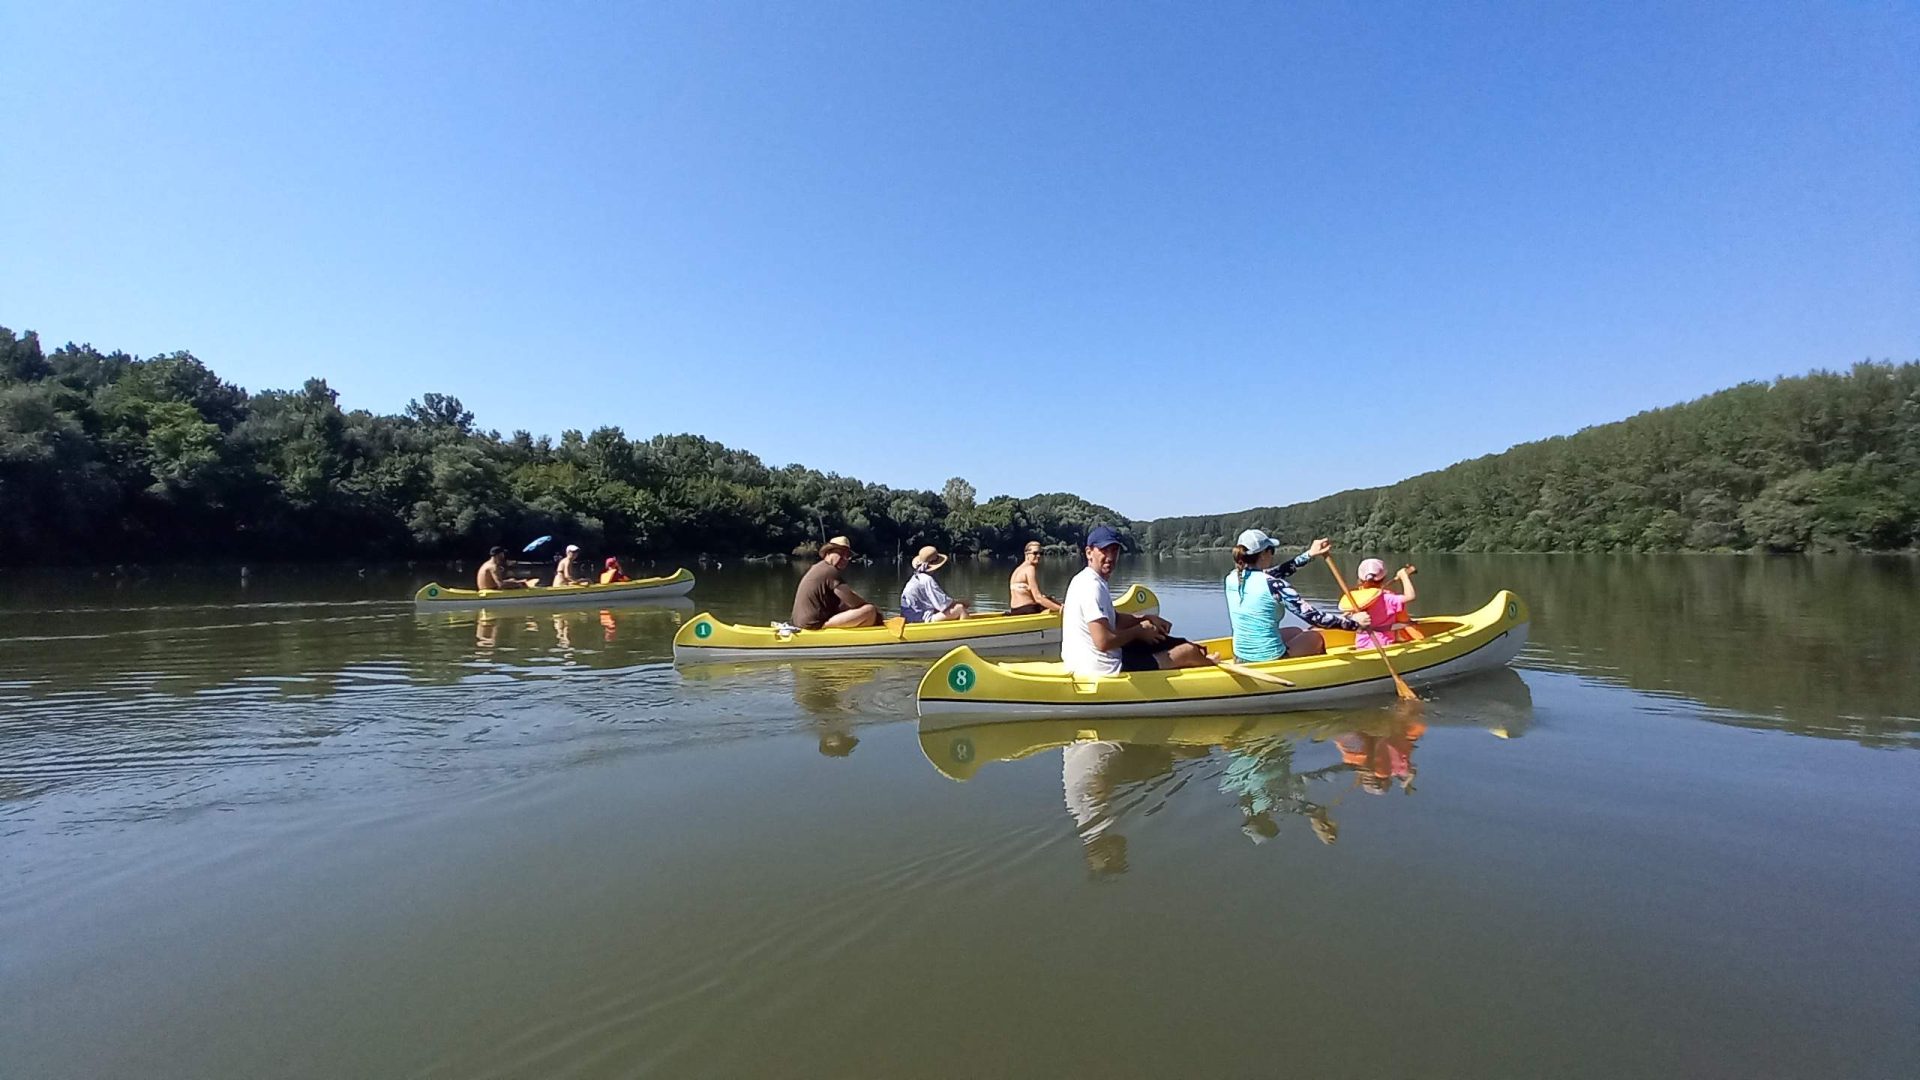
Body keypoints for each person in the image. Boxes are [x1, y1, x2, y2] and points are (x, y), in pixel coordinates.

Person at [1061, 525, 1211, 677]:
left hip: (1084, 662)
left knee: (1164, 641)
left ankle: (1201, 656)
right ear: (1089, 552)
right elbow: (1103, 642)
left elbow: (1115, 619)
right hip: (1103, 668)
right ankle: (1212, 669)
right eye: (1104, 550)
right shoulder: (1092, 586)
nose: (1111, 557)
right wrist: (1139, 631)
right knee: (1188, 651)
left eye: (1114, 550)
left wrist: (1146, 618)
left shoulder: (1085, 579)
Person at [1223, 530, 1370, 662]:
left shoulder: (1232, 577)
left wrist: (1310, 554)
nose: (1272, 555)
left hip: (1240, 655)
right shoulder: (1274, 584)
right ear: (1263, 554)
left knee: (1296, 631)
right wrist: (1353, 623)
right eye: (1271, 550)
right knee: (1315, 637)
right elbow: (1315, 618)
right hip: (1269, 658)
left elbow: (1280, 571)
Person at [791, 535, 881, 629]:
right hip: (812, 625)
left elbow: (844, 601)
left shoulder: (819, 568)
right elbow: (852, 600)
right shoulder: (829, 571)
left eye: (847, 556)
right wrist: (875, 611)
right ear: (828, 553)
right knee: (870, 611)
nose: (844, 558)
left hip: (801, 623)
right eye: (840, 554)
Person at [1340, 558, 1417, 650]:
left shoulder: (1356, 599)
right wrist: (1404, 576)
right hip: (1383, 646)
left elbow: (1345, 617)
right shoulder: (1388, 598)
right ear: (1383, 579)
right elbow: (1410, 596)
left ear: (1360, 579)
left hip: (1361, 645)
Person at [900, 546, 969, 622]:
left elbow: (937, 604)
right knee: (960, 608)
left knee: (947, 609)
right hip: (920, 620)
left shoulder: (914, 578)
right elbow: (944, 604)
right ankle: (968, 632)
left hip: (908, 618)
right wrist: (963, 602)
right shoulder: (927, 580)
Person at [1008, 541, 1063, 616]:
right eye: (1035, 553)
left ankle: (1063, 606)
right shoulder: (1030, 569)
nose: (1038, 556)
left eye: (1040, 553)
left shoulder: (1017, 570)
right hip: (1028, 610)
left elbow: (1028, 593)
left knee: (1049, 599)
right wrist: (1061, 610)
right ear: (1027, 554)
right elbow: (1038, 598)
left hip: (1014, 610)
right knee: (1049, 601)